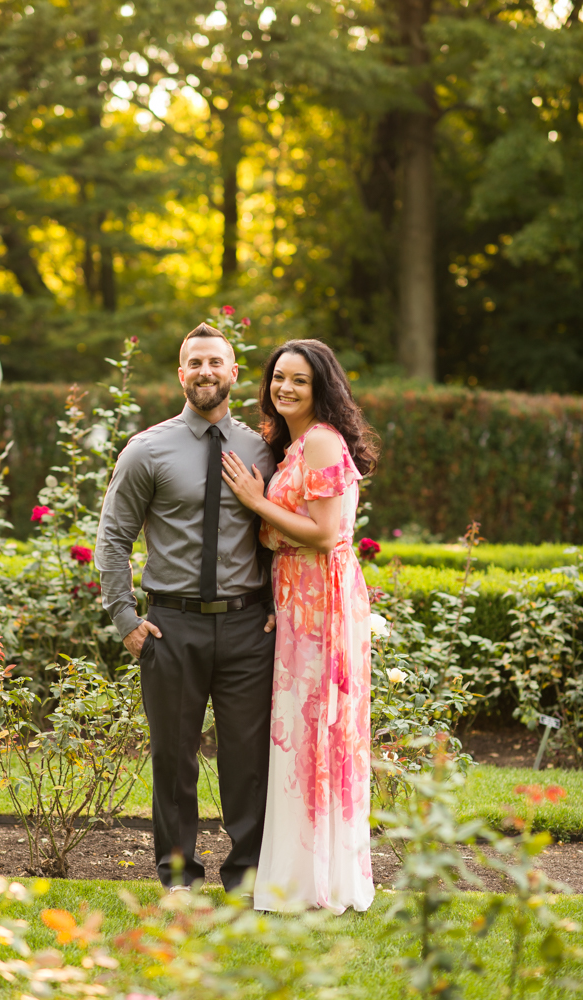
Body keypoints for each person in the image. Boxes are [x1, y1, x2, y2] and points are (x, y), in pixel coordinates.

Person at [95, 323, 277, 892]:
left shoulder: (263, 451)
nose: (205, 372)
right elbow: (113, 538)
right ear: (181, 374)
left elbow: (285, 536)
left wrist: (278, 605)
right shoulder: (147, 450)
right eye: (194, 363)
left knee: (248, 762)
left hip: (249, 627)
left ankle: (246, 879)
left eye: (215, 363)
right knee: (174, 760)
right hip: (169, 626)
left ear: (233, 373)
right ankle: (178, 880)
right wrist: (126, 619)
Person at [221, 339, 379, 914]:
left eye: (299, 381)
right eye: (278, 378)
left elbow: (323, 533)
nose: (284, 388)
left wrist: (254, 501)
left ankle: (317, 880)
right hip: (297, 599)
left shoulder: (319, 441)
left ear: (322, 388)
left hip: (322, 604)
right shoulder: (292, 444)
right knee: (302, 733)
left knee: (317, 733)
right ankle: (302, 875)